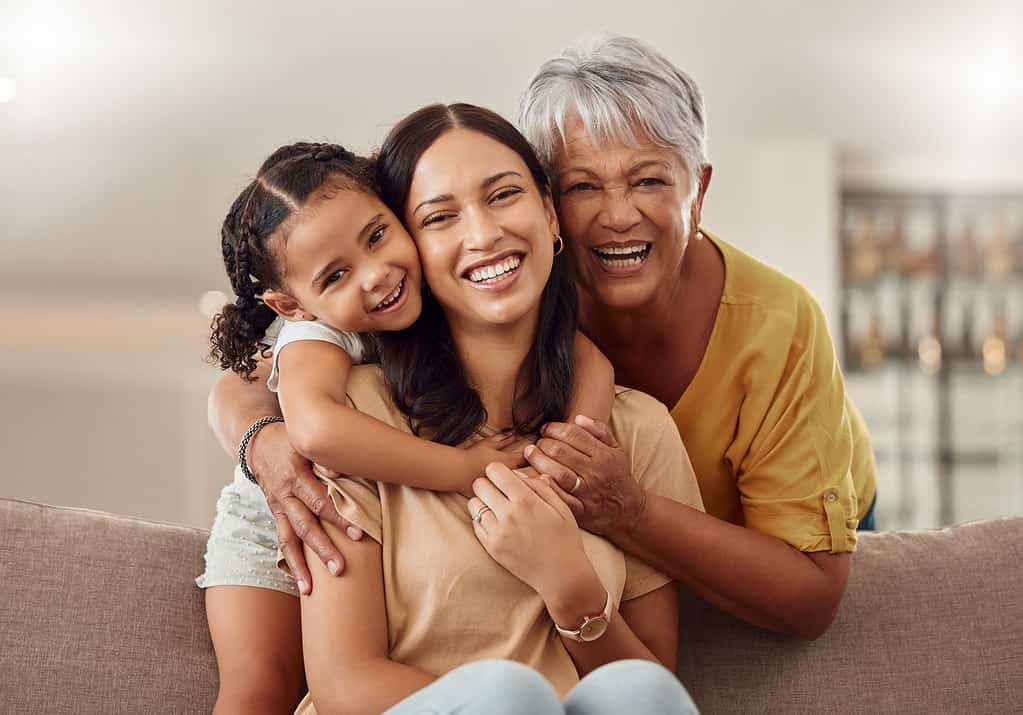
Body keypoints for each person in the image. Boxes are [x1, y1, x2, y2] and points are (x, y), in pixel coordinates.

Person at [292, 102, 702, 713]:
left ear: (549, 213)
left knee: (641, 690)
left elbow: (653, 692)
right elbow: (343, 686)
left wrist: (570, 587)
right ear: (412, 252)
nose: (483, 234)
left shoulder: (636, 428)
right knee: (507, 695)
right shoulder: (359, 418)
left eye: (504, 195)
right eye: (440, 217)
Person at [197, 142, 614, 713]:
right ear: (292, 304)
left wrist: (571, 450)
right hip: (280, 509)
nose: (375, 275)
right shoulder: (314, 337)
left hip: (347, 492)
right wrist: (465, 469)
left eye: (376, 236)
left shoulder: (443, 286)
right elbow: (317, 432)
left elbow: (584, 354)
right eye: (337, 274)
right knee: (257, 689)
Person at [513, 34, 878, 639]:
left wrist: (628, 513)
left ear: (699, 191)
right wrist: (292, 433)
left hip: (823, 513)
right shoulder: (514, 300)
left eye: (648, 181)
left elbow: (810, 595)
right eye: (582, 186)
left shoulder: (781, 322)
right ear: (546, 206)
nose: (618, 214)